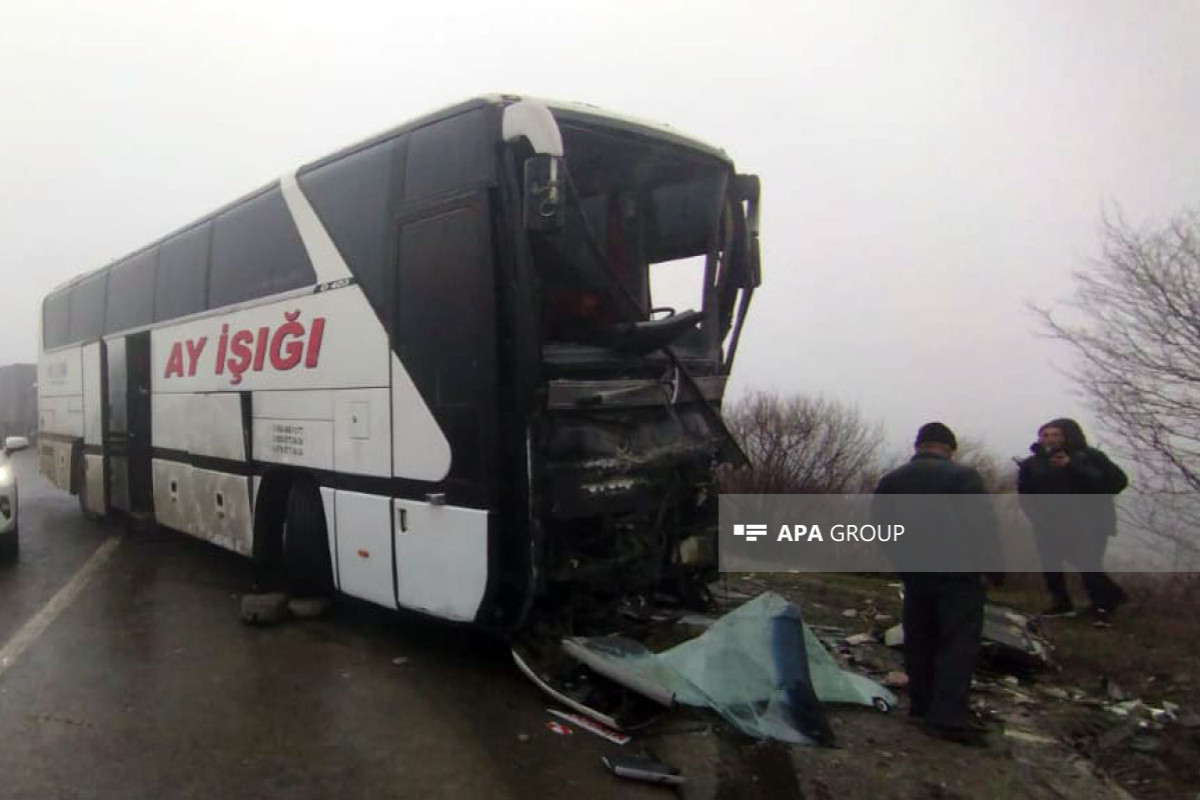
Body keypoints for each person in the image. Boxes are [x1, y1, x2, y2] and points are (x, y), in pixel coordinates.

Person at [872, 422, 1002, 746]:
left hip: (915, 572)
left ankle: (921, 706)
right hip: (959, 573)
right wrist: (993, 569)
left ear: (918, 446)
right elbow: (982, 527)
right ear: (950, 449)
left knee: (920, 638)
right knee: (957, 642)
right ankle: (946, 718)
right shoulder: (963, 478)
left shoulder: (892, 480)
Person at [1017, 418, 1128, 623]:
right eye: (1045, 435)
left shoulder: (1090, 456)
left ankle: (1103, 607)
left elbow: (1115, 484)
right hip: (1048, 523)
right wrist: (1036, 518)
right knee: (1051, 565)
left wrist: (1072, 466)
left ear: (1067, 436)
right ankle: (1061, 603)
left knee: (1088, 564)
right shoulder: (1032, 463)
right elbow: (1026, 493)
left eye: (1055, 435)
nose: (1049, 439)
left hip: (1089, 523)